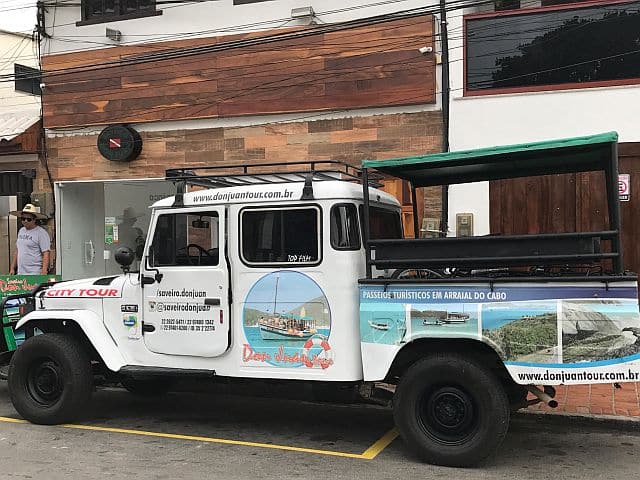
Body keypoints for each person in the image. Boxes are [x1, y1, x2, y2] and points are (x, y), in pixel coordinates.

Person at [9, 204, 51, 275]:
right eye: (23, 219)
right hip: (21, 272)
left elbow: (46, 252)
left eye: (28, 219)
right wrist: (12, 268)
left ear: (34, 220)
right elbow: (17, 250)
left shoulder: (41, 233)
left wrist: (44, 270)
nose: (25, 221)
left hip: (35, 272)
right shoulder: (21, 231)